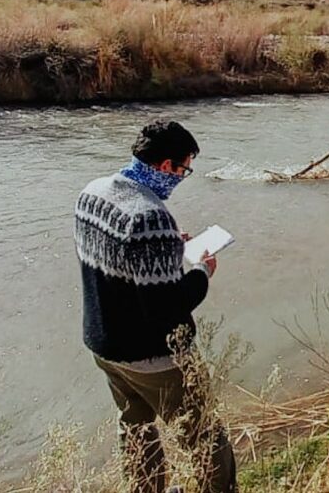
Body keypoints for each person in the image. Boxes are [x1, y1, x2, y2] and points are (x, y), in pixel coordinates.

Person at [74, 120, 236, 493]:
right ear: (166, 166)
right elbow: (169, 309)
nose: (182, 178)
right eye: (184, 169)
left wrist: (167, 249)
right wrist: (201, 272)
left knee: (135, 426)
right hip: (156, 358)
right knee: (204, 434)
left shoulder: (92, 192)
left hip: (104, 345)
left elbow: (114, 261)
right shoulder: (150, 216)